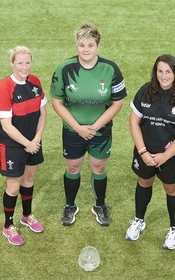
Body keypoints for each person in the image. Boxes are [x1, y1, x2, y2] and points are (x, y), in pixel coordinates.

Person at [50, 23, 127, 226]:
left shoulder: (110, 69)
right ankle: (70, 205)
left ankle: (100, 205)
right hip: (73, 130)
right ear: (76, 45)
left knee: (99, 167)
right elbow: (56, 102)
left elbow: (118, 103)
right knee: (73, 166)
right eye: (82, 45)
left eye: (90, 45)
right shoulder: (64, 68)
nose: (86, 49)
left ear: (98, 46)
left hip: (100, 131)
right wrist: (78, 128)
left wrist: (94, 127)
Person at [125, 54, 175, 250]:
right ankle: (139, 220)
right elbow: (133, 122)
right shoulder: (146, 91)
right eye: (160, 71)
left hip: (171, 157)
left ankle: (174, 228)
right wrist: (143, 152)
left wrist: (165, 156)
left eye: (168, 71)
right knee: (144, 182)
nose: (163, 76)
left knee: (172, 189)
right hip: (145, 153)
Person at [0, 46, 47, 246]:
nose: (24, 67)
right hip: (13, 145)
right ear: (12, 63)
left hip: (34, 141)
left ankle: (27, 216)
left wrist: (37, 138)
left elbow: (43, 113)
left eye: (27, 62)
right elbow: (6, 126)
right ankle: (8, 226)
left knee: (29, 179)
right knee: (13, 186)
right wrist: (28, 143)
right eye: (20, 63)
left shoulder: (35, 82)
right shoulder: (4, 87)